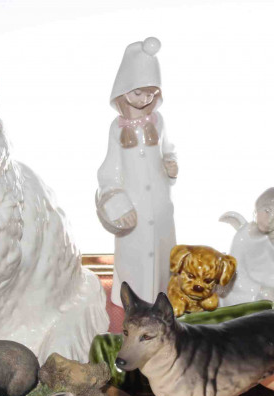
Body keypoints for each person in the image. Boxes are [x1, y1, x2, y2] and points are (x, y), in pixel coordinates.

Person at [96, 37, 179, 307]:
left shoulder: (159, 121)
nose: (145, 99)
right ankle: (132, 299)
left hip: (161, 205)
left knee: (162, 253)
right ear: (124, 90)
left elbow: (169, 149)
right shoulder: (116, 129)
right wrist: (118, 204)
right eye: (138, 93)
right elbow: (109, 171)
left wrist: (171, 164)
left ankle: (162, 295)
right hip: (135, 209)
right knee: (134, 254)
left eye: (151, 94)